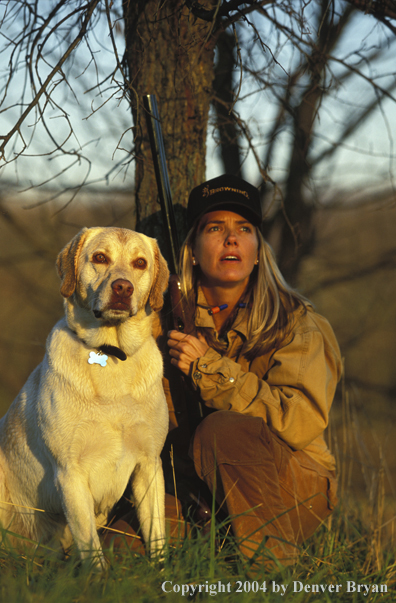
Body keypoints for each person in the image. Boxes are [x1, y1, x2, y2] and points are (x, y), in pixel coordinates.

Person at [163, 174, 342, 566]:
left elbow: (297, 421)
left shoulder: (299, 324)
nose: (231, 239)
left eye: (244, 229)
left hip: (292, 483)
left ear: (258, 249)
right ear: (192, 249)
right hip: (195, 485)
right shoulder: (167, 322)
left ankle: (272, 574)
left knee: (223, 430)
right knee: (121, 545)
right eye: (215, 228)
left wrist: (208, 369)